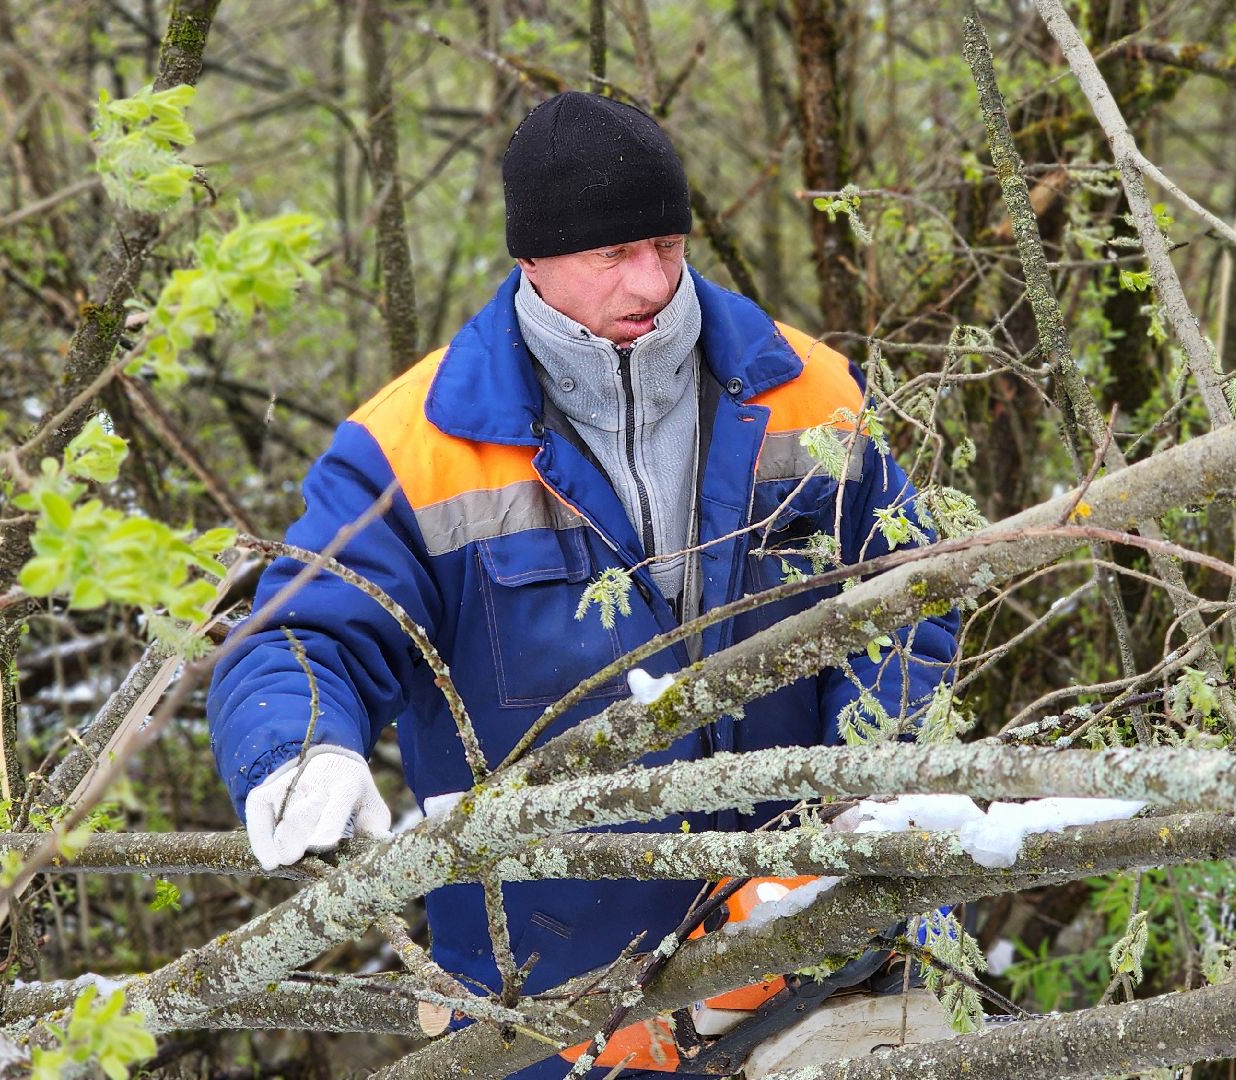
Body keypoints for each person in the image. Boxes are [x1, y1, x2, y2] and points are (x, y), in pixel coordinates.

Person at [207, 90, 958, 1075]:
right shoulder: (412, 445)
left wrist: (861, 799)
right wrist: (297, 745)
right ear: (531, 262)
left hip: (819, 950)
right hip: (551, 995)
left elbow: (904, 607)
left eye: (666, 245)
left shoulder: (807, 392)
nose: (650, 281)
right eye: (612, 256)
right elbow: (305, 633)